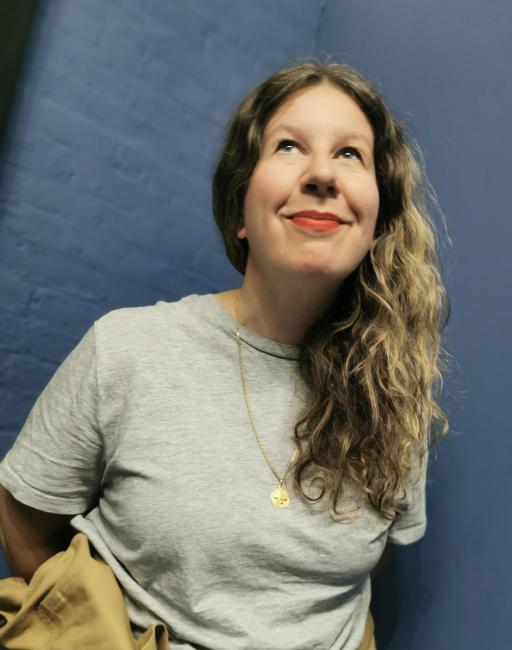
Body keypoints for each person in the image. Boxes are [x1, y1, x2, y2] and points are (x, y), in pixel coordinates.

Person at [0, 58, 450, 650]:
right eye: (289, 146)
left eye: (350, 154)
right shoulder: (127, 350)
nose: (322, 174)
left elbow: (360, 567)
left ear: (376, 220)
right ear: (240, 209)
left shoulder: (396, 390)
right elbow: (25, 525)